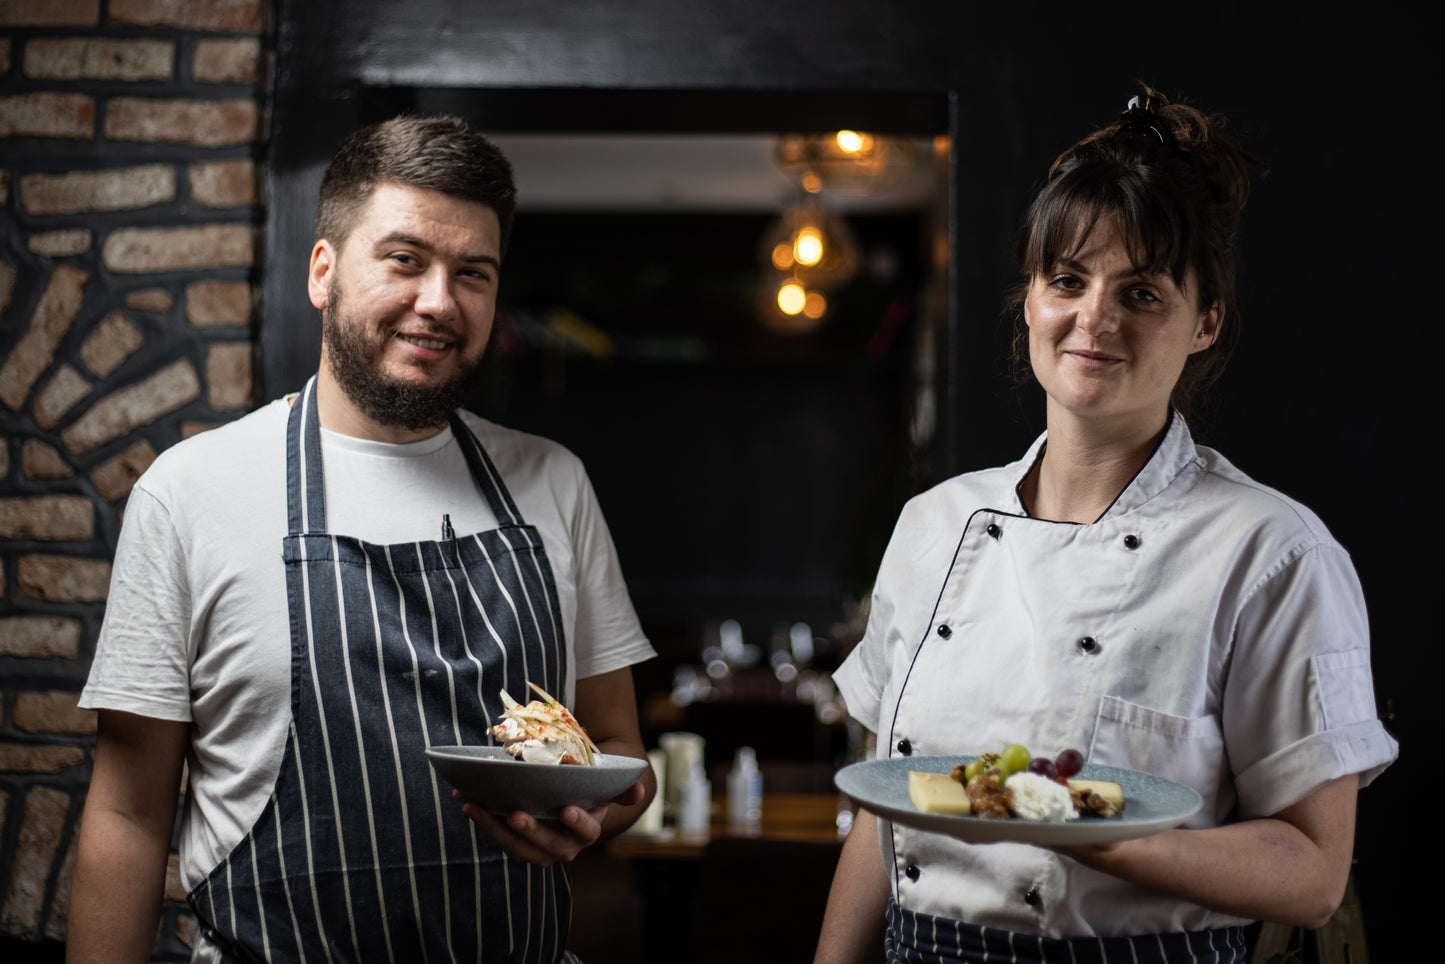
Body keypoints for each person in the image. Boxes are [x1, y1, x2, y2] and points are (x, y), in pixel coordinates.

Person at [814, 89, 1397, 964]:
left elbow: (1312, 873)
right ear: (1029, 301)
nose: (1094, 318)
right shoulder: (934, 525)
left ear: (1204, 323)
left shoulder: (1272, 551)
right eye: (1066, 280)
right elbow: (883, 819)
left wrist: (1102, 835)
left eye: (1141, 291)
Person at [68, 114, 656, 964]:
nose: (439, 302)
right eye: (405, 260)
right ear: (324, 271)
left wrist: (594, 817)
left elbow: (620, 753)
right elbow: (127, 812)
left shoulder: (552, 483)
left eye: (473, 274)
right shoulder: (192, 493)